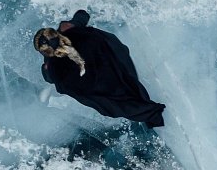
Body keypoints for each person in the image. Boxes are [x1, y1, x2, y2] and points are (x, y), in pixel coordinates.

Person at [35, 10, 165, 128]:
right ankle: (143, 104)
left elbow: (49, 77)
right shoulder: (71, 31)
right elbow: (82, 15)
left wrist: (47, 65)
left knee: (118, 101)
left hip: (99, 84)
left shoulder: (52, 67)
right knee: (124, 81)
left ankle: (147, 111)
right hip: (110, 64)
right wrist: (70, 24)